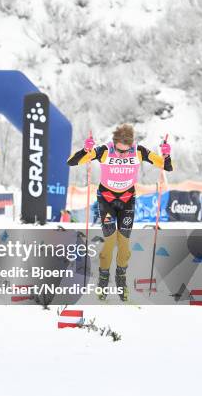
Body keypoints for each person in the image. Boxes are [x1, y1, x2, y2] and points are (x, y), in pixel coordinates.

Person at [67, 124, 172, 301]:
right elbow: (71, 161)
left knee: (124, 243)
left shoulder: (139, 151)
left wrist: (166, 154)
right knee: (109, 242)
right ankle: (103, 280)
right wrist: (86, 150)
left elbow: (166, 167)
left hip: (127, 200)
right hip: (106, 199)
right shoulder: (104, 151)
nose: (122, 155)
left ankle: (121, 280)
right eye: (119, 151)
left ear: (131, 145)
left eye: (126, 151)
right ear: (114, 144)